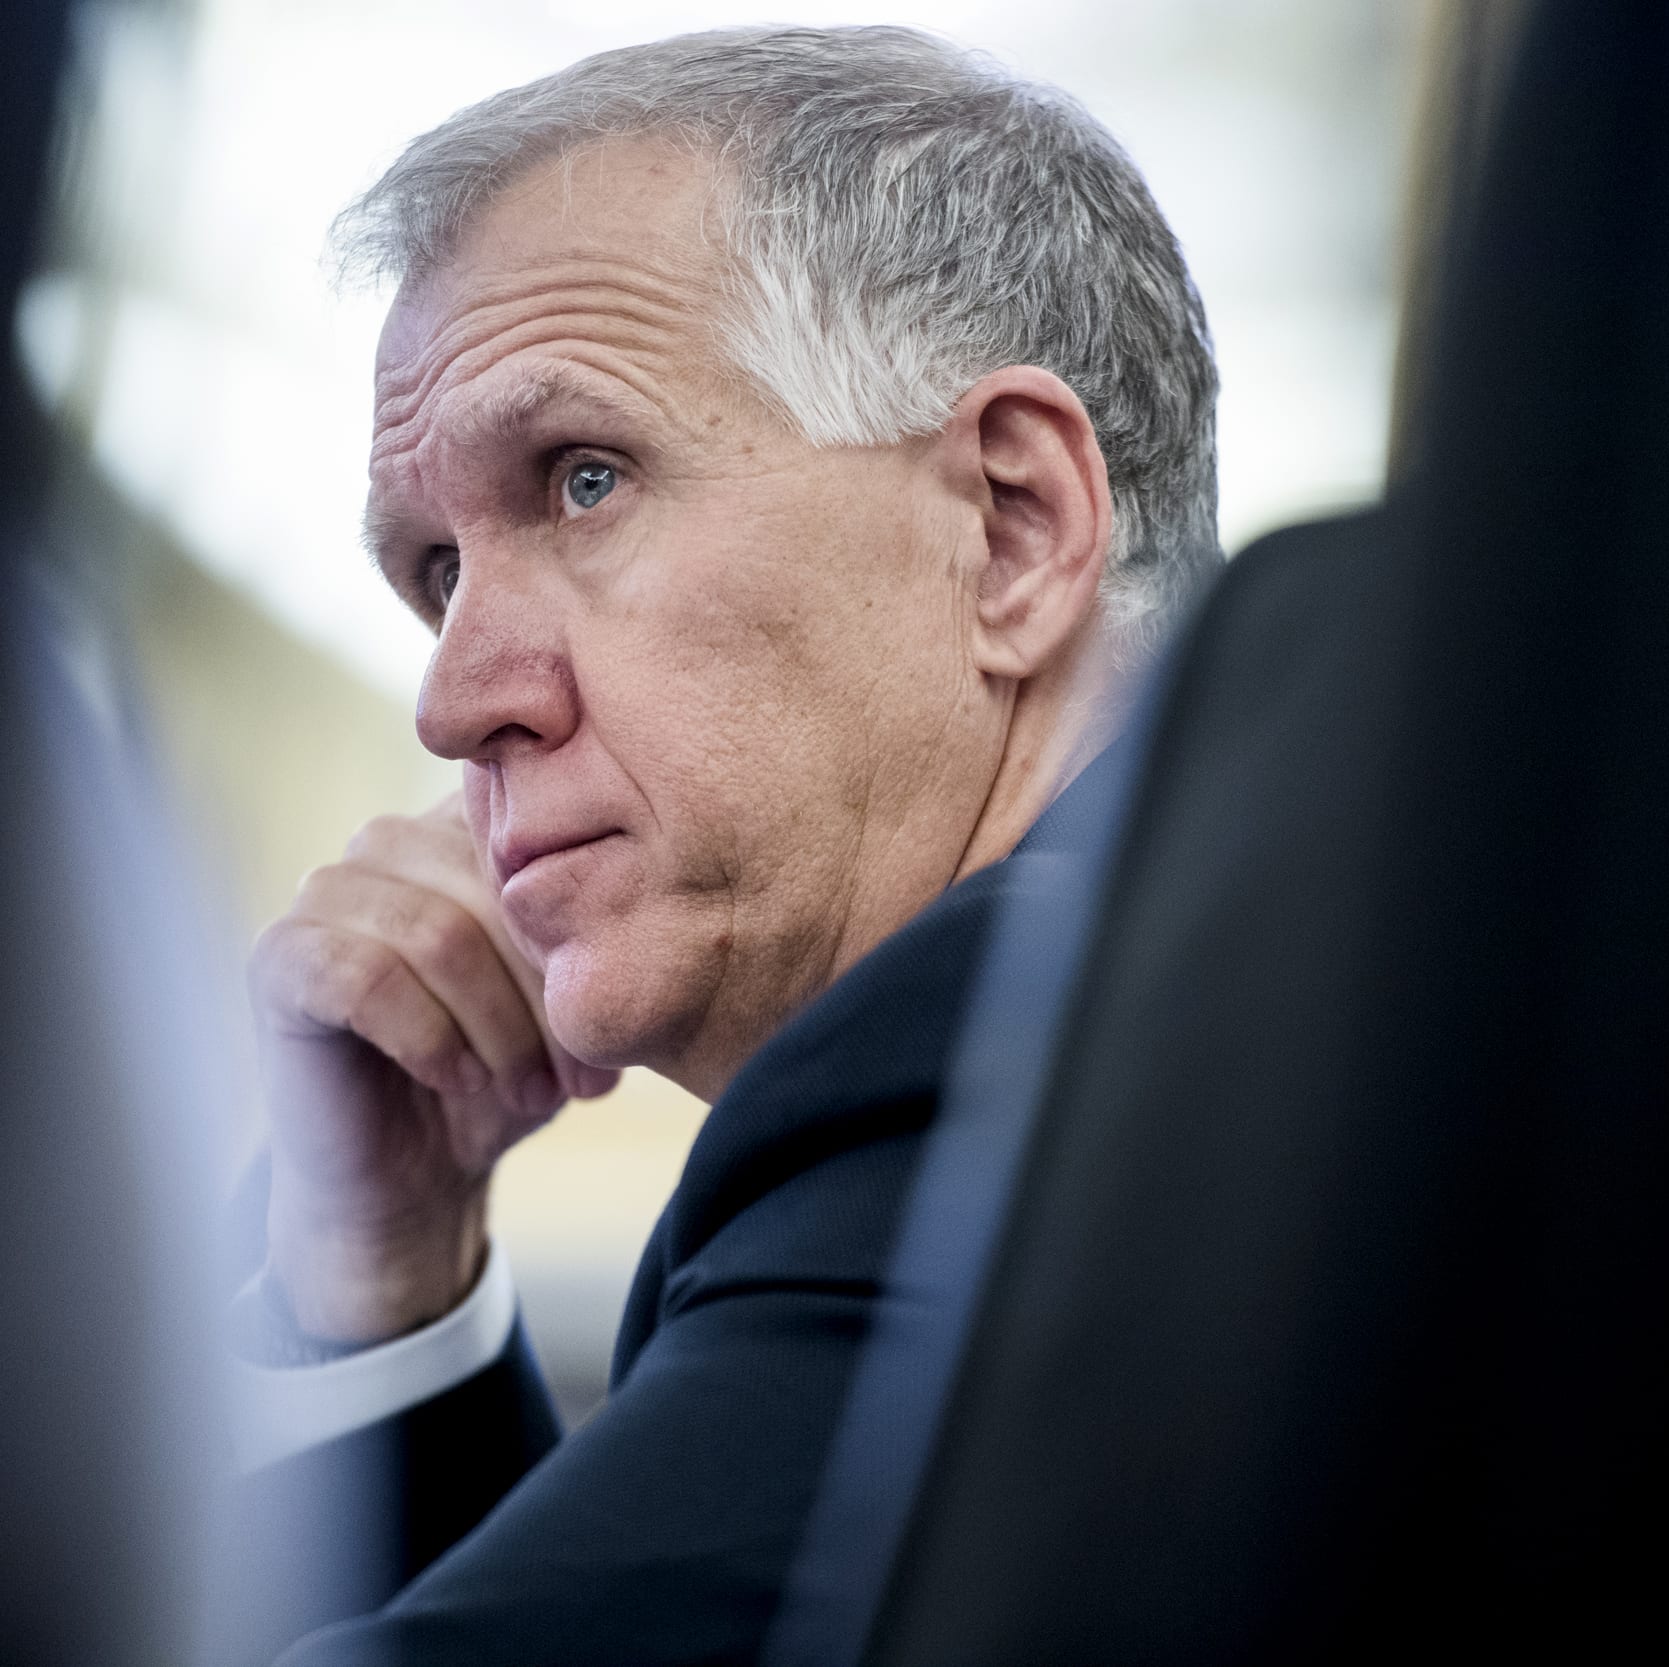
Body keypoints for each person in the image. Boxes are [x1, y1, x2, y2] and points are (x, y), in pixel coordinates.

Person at [226, 26, 1219, 1662]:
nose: (454, 698)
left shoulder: (1025, 1040)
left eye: (586, 479)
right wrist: (380, 1272)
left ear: (1013, 530)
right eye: (433, 574)